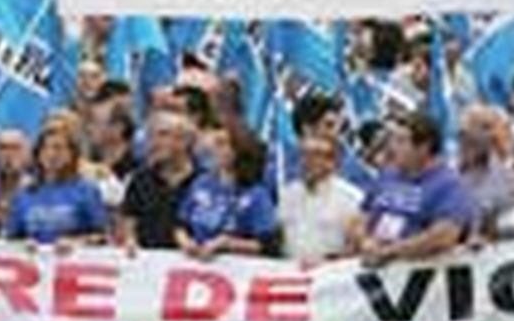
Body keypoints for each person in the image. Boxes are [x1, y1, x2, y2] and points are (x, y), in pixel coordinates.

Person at [348, 113, 474, 266]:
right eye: (393, 140)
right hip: (371, 261)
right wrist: (364, 241)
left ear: (423, 147)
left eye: (401, 141)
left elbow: (444, 235)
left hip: (413, 270)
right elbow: (360, 216)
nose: (392, 148)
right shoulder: (388, 175)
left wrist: (392, 251)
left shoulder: (449, 185)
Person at [174, 125, 279, 259]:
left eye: (223, 144)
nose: (216, 149)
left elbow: (267, 245)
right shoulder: (201, 184)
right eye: (217, 144)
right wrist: (186, 243)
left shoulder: (257, 195)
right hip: (195, 264)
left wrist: (227, 244)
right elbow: (180, 225)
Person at [4, 120, 108, 248]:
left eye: (58, 148)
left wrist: (77, 243)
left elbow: (102, 237)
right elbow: (10, 238)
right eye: (45, 148)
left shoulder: (87, 190)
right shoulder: (24, 193)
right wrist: (22, 244)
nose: (51, 154)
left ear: (72, 154)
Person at [278, 132, 364, 265]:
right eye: (304, 154)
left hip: (330, 276)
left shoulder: (350, 199)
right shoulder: (289, 194)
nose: (307, 161)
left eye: (316, 155)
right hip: (289, 272)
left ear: (333, 162)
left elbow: (355, 249)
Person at [118, 111, 196, 252]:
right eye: (150, 136)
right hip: (149, 264)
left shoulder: (204, 180)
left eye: (162, 135)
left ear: (184, 141)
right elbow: (128, 223)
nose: (154, 143)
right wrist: (130, 241)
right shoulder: (139, 179)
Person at [456, 106, 514, 230]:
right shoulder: (446, 172)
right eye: (485, 128)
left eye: (490, 128)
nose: (491, 135)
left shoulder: (508, 175)